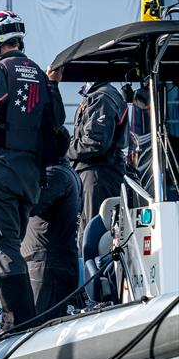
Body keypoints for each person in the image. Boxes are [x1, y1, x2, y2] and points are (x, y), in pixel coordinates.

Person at [0, 10, 65, 331]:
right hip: (31, 173)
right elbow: (58, 122)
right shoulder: (39, 74)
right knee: (15, 244)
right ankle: (28, 321)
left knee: (1, 245)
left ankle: (16, 325)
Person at [22, 127, 82, 321]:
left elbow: (30, 205)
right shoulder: (67, 172)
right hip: (50, 261)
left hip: (46, 263)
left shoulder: (55, 176)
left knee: (40, 323)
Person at [67, 82, 129, 242]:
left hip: (97, 175)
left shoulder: (101, 97)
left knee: (93, 234)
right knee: (92, 230)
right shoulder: (102, 95)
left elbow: (94, 143)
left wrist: (63, 149)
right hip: (97, 174)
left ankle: (93, 266)